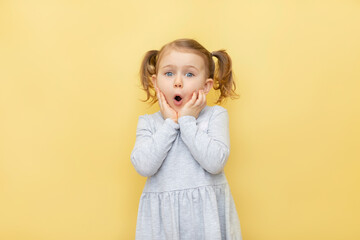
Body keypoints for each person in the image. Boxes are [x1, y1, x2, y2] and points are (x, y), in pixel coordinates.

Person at [131, 38, 242, 240]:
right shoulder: (148, 123)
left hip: (206, 220)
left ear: (206, 86)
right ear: (156, 82)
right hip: (164, 221)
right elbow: (144, 166)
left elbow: (215, 162)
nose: (178, 81)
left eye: (189, 74)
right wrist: (171, 123)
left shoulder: (215, 116)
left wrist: (187, 121)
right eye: (169, 73)